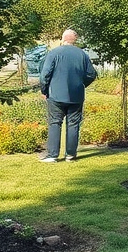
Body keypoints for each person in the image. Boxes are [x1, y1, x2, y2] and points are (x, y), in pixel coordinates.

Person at [38, 30, 98, 163]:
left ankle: (52, 155)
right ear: (74, 40)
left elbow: (44, 75)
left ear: (62, 38)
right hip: (76, 96)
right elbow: (92, 74)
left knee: (55, 123)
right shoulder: (83, 54)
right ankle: (70, 155)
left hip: (56, 95)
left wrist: (44, 90)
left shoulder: (54, 53)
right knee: (73, 124)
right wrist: (81, 85)